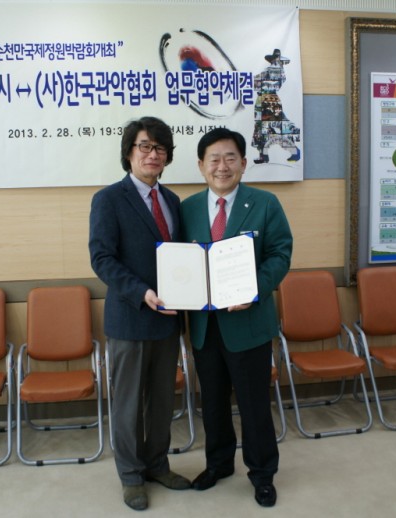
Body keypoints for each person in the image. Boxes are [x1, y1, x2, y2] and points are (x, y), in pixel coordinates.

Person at [180, 127, 293, 507]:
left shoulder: (265, 203)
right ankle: (219, 464)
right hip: (204, 326)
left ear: (244, 163)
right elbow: (180, 263)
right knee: (212, 403)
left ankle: (262, 474)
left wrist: (253, 288)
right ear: (201, 165)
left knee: (254, 404)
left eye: (230, 158)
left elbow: (280, 254)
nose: (222, 166)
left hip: (248, 324)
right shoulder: (187, 208)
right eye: (213, 159)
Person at [89, 116, 191, 511]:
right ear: (129, 153)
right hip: (131, 318)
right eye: (145, 146)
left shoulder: (173, 201)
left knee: (162, 400)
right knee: (129, 404)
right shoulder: (109, 199)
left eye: (160, 148)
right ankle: (131, 475)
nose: (153, 154)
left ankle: (157, 464)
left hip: (168, 319)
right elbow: (102, 259)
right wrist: (141, 292)